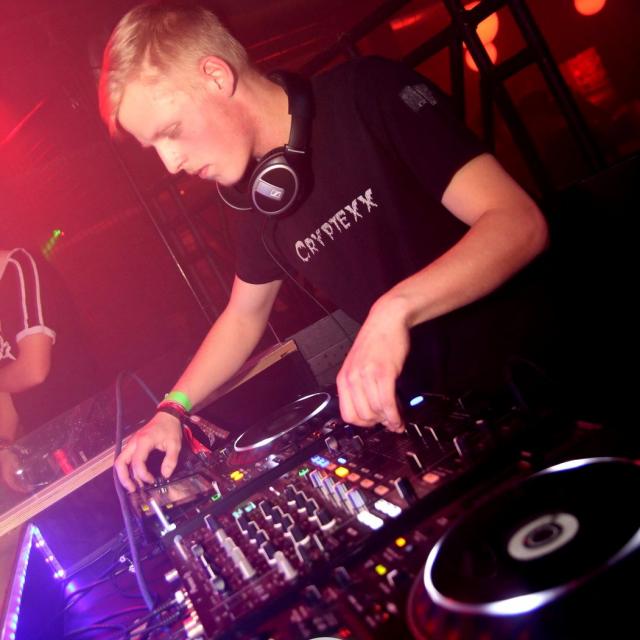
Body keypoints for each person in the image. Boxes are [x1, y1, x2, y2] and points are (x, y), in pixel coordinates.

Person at [100, 2, 550, 492]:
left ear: (215, 76)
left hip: (543, 375)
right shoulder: (260, 197)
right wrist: (171, 409)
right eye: (155, 147)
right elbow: (243, 316)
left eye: (170, 132)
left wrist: (394, 309)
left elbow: (517, 222)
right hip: (449, 418)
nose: (170, 163)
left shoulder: (367, 94)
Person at [0, 248, 56, 492]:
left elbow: (34, 370)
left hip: (86, 427)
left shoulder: (18, 266)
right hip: (40, 444)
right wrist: (4, 448)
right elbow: (6, 385)